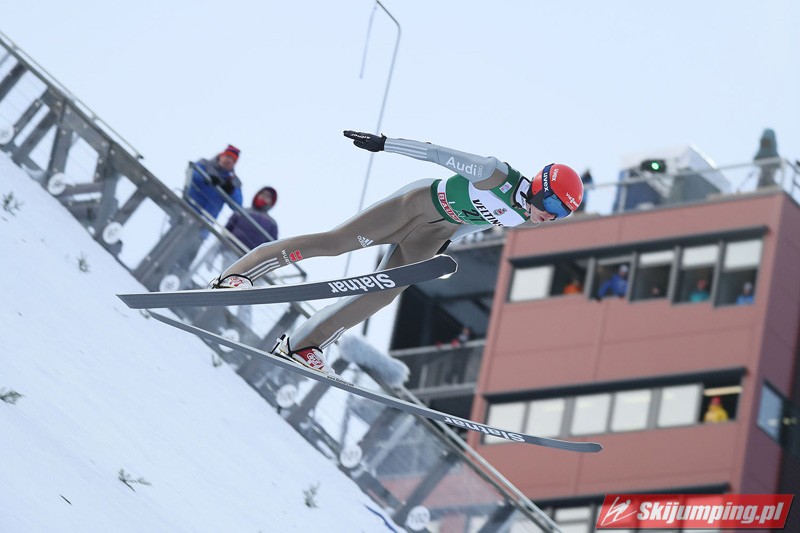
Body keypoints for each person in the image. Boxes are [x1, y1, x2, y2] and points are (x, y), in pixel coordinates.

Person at [208, 130, 584, 374]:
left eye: (561, 214)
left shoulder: (528, 219)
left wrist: (450, 239)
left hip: (436, 232)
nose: (550, 216)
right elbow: (437, 153)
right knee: (335, 243)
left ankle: (304, 346)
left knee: (384, 293)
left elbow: (480, 222)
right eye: (552, 205)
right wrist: (385, 144)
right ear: (541, 186)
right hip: (415, 206)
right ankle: (238, 274)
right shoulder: (495, 175)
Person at [175, 145, 245, 273]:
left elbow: (237, 205)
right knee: (170, 246)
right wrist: (207, 179)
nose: (229, 161)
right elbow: (192, 174)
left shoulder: (233, 181)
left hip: (202, 227)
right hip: (184, 214)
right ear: (221, 155)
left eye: (233, 160)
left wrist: (231, 190)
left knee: (185, 260)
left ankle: (176, 276)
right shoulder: (205, 164)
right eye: (228, 156)